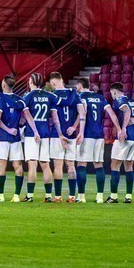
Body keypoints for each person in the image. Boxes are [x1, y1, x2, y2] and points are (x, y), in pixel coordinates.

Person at [74, 77, 120, 203]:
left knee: (81, 164)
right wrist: (119, 129)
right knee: (98, 165)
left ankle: (81, 196)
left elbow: (82, 114)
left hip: (87, 134)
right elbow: (112, 114)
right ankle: (99, 196)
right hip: (99, 136)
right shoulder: (100, 98)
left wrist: (80, 132)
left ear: (79, 85)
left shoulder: (81, 96)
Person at [20, 72, 62, 202]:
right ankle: (49, 196)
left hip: (32, 135)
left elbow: (28, 116)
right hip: (46, 133)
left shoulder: (27, 96)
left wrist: (35, 131)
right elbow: (55, 117)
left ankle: (30, 196)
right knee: (45, 165)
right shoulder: (50, 96)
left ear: (31, 82)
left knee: (32, 165)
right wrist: (59, 133)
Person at [0, 75, 24, 202]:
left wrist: (7, 129)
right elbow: (23, 120)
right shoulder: (19, 99)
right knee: (17, 165)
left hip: (3, 136)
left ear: (3, 85)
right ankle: (16, 196)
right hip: (16, 137)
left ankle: (1, 195)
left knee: (1, 166)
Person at [49, 71, 83, 203]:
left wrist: (60, 135)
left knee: (58, 165)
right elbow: (82, 113)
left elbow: (55, 116)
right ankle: (72, 196)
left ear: (53, 82)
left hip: (58, 135)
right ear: (62, 79)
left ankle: (57, 196)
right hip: (72, 135)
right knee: (71, 165)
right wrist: (74, 127)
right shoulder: (73, 94)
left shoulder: (53, 96)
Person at [106, 82, 134, 204]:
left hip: (125, 137)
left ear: (114, 91)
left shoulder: (119, 100)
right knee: (129, 166)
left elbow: (126, 111)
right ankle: (128, 196)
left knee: (115, 165)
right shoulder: (132, 100)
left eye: (111, 93)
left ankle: (113, 197)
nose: (112, 96)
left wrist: (123, 129)